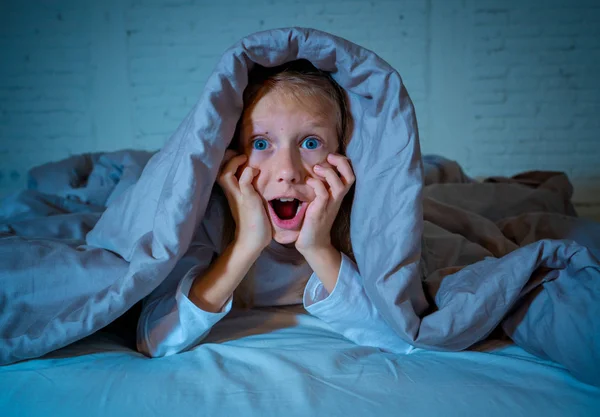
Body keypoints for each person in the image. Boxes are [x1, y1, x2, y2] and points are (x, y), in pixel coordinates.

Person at [137, 60, 414, 358]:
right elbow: (155, 340)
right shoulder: (206, 217)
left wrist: (318, 248)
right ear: (232, 157)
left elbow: (401, 337)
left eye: (310, 142)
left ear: (343, 156)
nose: (287, 171)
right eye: (260, 143)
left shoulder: (364, 215)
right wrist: (246, 243)